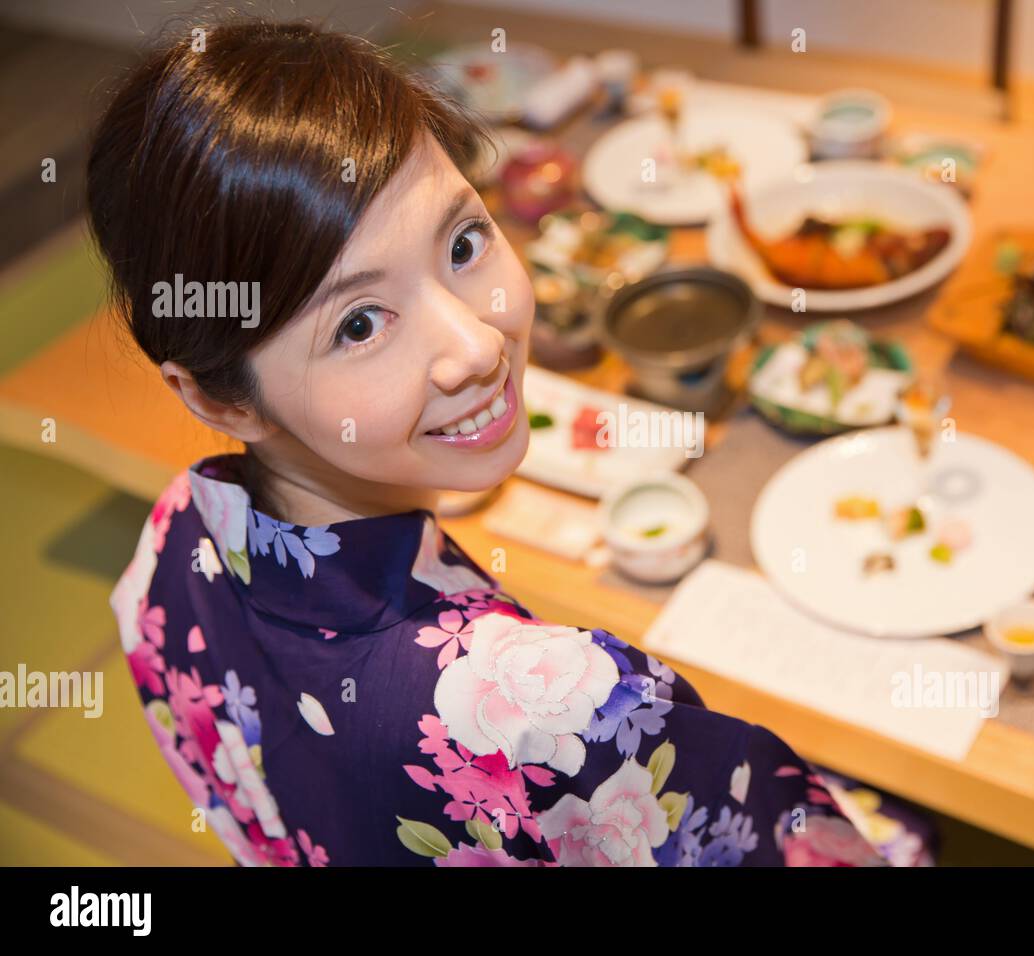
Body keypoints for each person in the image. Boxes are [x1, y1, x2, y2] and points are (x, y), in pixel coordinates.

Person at [91, 16, 935, 866]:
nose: (476, 345)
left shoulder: (166, 550)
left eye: (463, 243)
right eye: (358, 324)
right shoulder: (552, 714)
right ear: (218, 398)